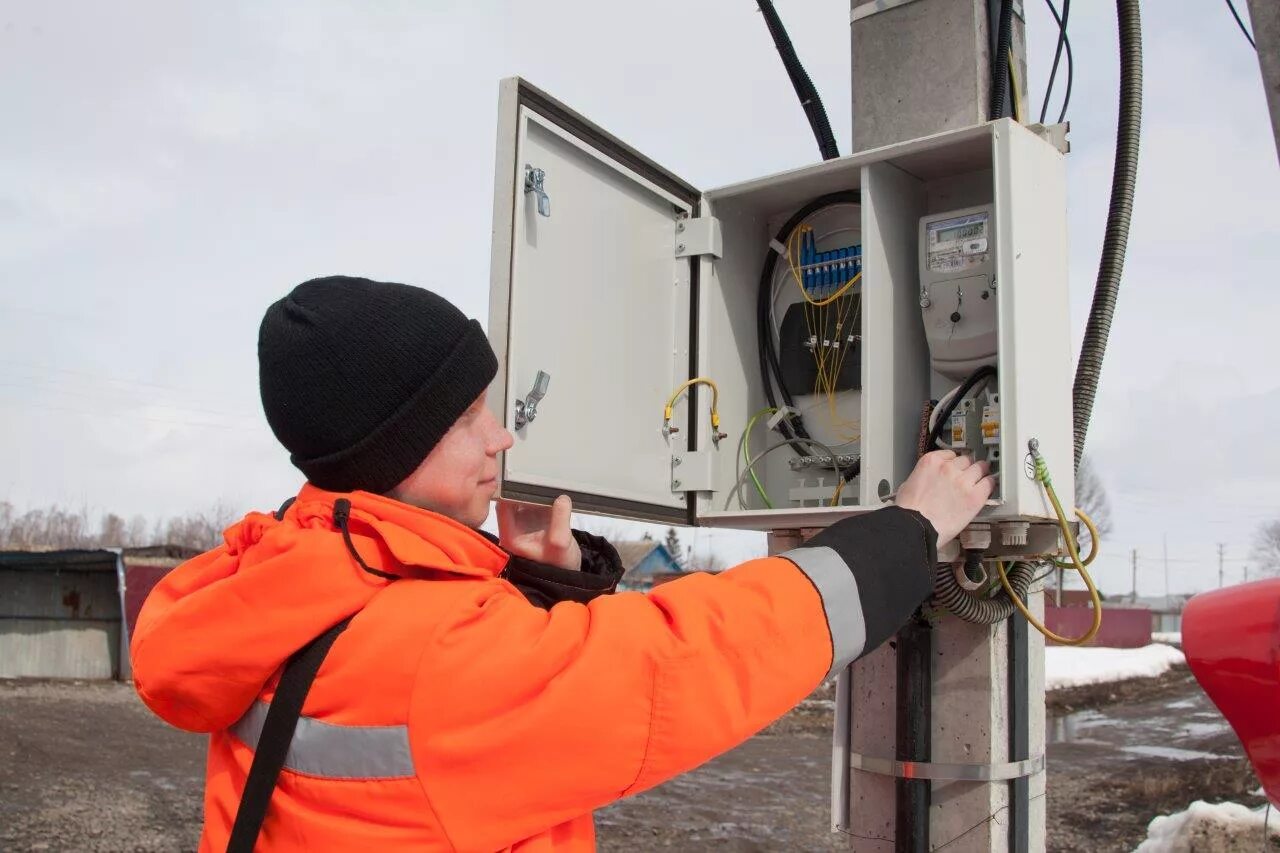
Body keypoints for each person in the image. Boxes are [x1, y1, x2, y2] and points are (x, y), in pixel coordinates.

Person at [131, 275, 993, 852]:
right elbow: (693, 657)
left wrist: (532, 586)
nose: (501, 435)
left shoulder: (282, 574)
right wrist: (908, 529)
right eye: (470, 415)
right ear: (399, 445)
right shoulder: (440, 659)